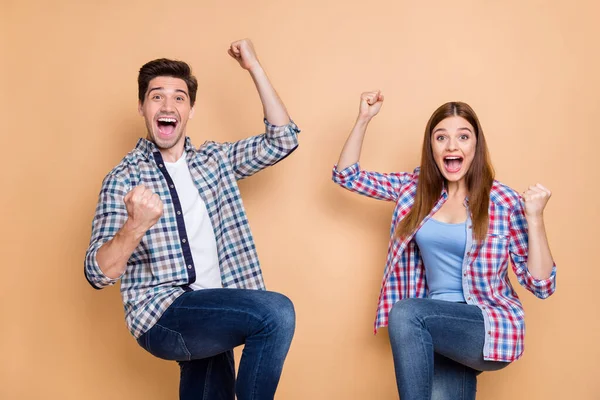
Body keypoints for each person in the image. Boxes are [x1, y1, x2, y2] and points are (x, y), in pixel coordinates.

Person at [84, 39, 300, 400]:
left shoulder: (215, 161)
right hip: (163, 315)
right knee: (276, 312)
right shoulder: (123, 179)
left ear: (190, 110)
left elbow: (282, 140)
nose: (168, 105)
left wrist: (254, 67)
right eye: (157, 96)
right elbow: (96, 273)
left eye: (179, 98)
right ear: (142, 106)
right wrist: (134, 226)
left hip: (214, 309)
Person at [332, 91, 556, 400]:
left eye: (463, 137)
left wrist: (535, 218)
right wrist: (363, 119)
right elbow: (347, 176)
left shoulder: (503, 201)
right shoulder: (414, 189)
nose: (452, 146)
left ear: (476, 146)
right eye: (441, 138)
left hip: (485, 325)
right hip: (434, 328)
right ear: (432, 148)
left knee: (405, 314)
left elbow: (542, 284)